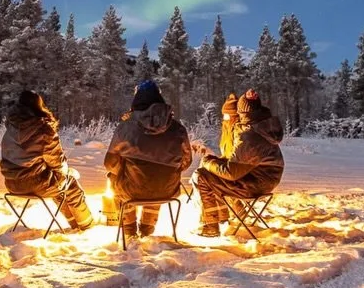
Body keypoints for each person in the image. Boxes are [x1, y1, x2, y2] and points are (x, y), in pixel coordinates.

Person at [103, 79, 193, 241]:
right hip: (168, 190)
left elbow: (110, 164)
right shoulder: (178, 128)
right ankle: (147, 227)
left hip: (132, 190)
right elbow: (186, 161)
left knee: (115, 178)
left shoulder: (126, 127)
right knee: (157, 177)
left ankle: (129, 229)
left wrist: (125, 171)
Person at [194, 89, 284, 237]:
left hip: (256, 183)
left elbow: (230, 173)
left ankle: (210, 225)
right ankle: (221, 218)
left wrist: (207, 161)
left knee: (202, 176)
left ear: (242, 113)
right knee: (213, 172)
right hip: (264, 179)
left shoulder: (250, 136)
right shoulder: (262, 128)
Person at [0, 90, 93, 231]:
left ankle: (74, 223)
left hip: (12, 183)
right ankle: (87, 225)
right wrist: (68, 172)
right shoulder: (43, 129)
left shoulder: (10, 130)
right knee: (69, 183)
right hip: (36, 184)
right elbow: (56, 162)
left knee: (57, 183)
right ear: (39, 106)